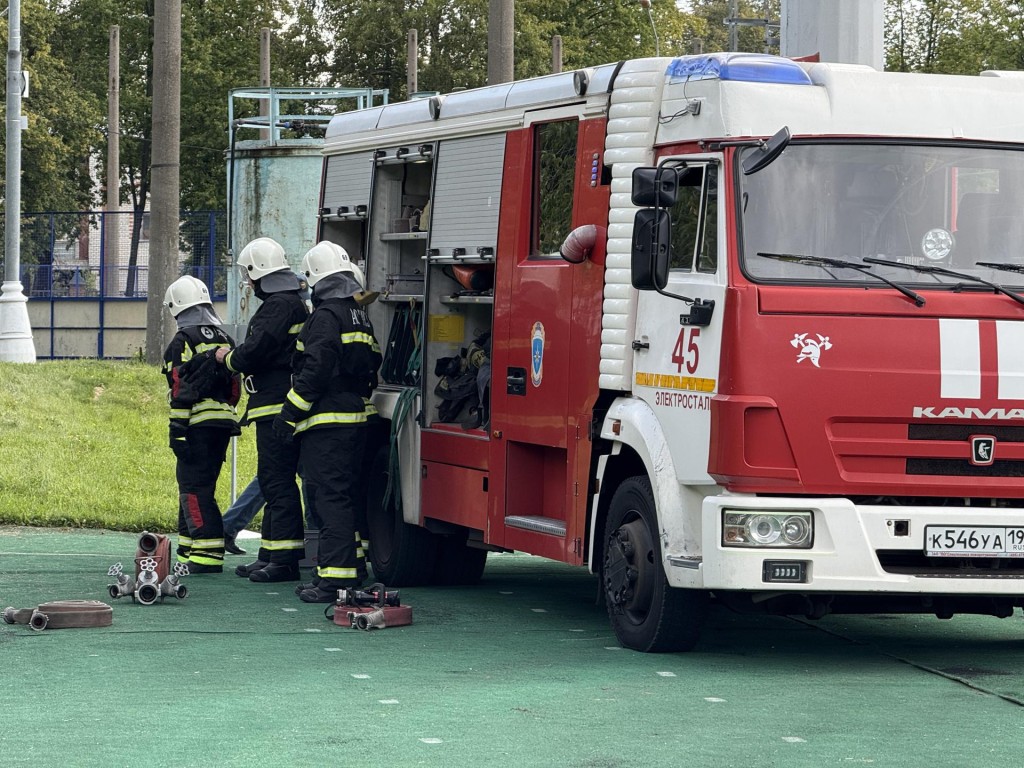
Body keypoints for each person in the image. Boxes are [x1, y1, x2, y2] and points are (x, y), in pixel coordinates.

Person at [275, 241, 381, 603]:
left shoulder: (324, 317)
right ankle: (348, 571)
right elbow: (374, 360)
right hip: (355, 419)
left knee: (327, 499)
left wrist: (289, 414)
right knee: (345, 497)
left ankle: (335, 581)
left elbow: (315, 370)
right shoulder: (359, 315)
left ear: (316, 278)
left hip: (327, 423)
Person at [216, 237, 310, 583]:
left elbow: (257, 349)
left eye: (249, 275)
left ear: (259, 273)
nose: (248, 282)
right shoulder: (291, 302)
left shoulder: (278, 306)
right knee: (274, 481)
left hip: (275, 405)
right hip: (277, 404)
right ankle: (270, 554)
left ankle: (283, 561)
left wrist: (227, 358)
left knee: (278, 482)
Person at [162, 275, 240, 573]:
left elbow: (179, 387)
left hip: (195, 424)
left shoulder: (183, 341)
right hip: (222, 424)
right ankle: (188, 548)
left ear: (177, 307)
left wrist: (177, 431)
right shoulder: (226, 339)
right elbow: (235, 390)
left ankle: (207, 553)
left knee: (194, 488)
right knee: (199, 485)